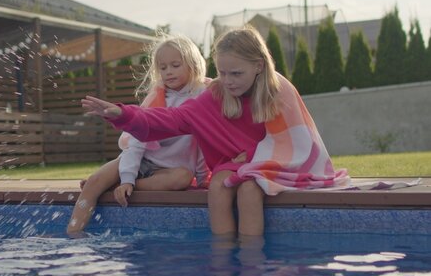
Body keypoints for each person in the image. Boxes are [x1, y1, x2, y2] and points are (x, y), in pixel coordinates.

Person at [81, 25, 350, 236]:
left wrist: (254, 160)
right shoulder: (216, 94)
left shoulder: (278, 91)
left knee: (249, 189)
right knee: (220, 185)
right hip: (235, 164)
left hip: (277, 162)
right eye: (222, 73)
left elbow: (295, 140)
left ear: (258, 66)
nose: (228, 81)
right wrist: (122, 113)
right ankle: (223, 256)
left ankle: (250, 257)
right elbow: (172, 120)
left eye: (236, 74)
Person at [66, 34, 209, 234]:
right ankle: (73, 232)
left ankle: (122, 186)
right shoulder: (156, 98)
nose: (168, 72)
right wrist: (126, 178)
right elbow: (137, 141)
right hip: (141, 159)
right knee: (94, 182)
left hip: (169, 170)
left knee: (182, 178)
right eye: (163, 67)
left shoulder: (203, 97)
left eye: (175, 65)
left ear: (193, 64)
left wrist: (203, 179)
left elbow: (204, 141)